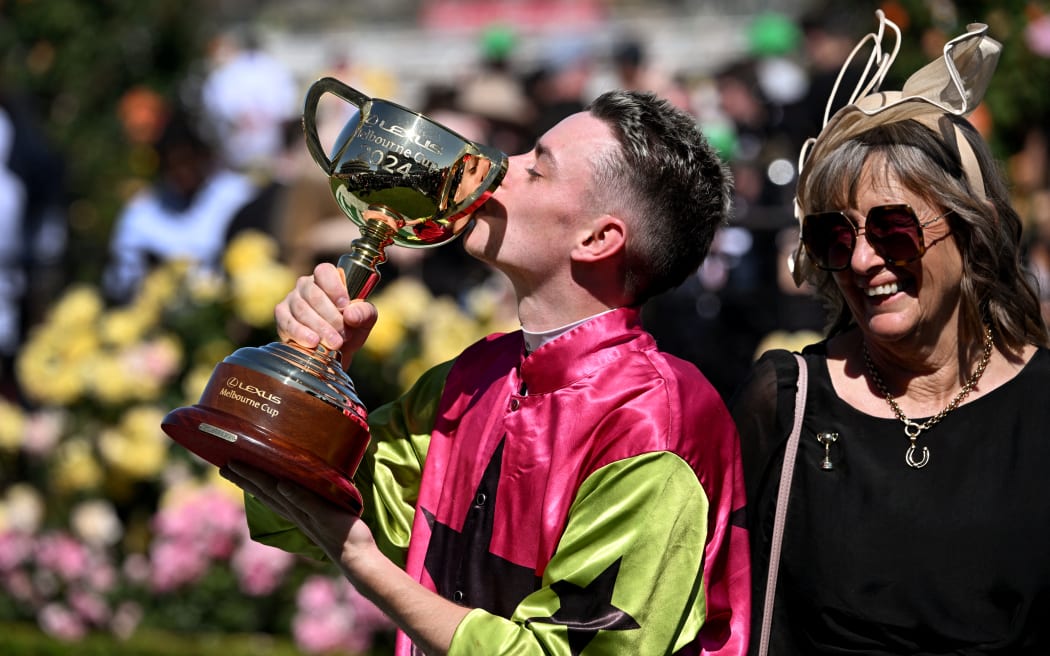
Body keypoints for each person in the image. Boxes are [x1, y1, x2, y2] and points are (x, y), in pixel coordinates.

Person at [223, 89, 751, 654]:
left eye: (537, 168)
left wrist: (359, 559)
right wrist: (315, 372)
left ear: (597, 239)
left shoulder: (656, 424)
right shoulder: (474, 376)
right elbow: (293, 505)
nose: (500, 166)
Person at [732, 12, 1050, 655]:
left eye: (893, 229)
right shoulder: (785, 402)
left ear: (971, 226)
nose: (860, 260)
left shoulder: (1042, 404)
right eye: (834, 236)